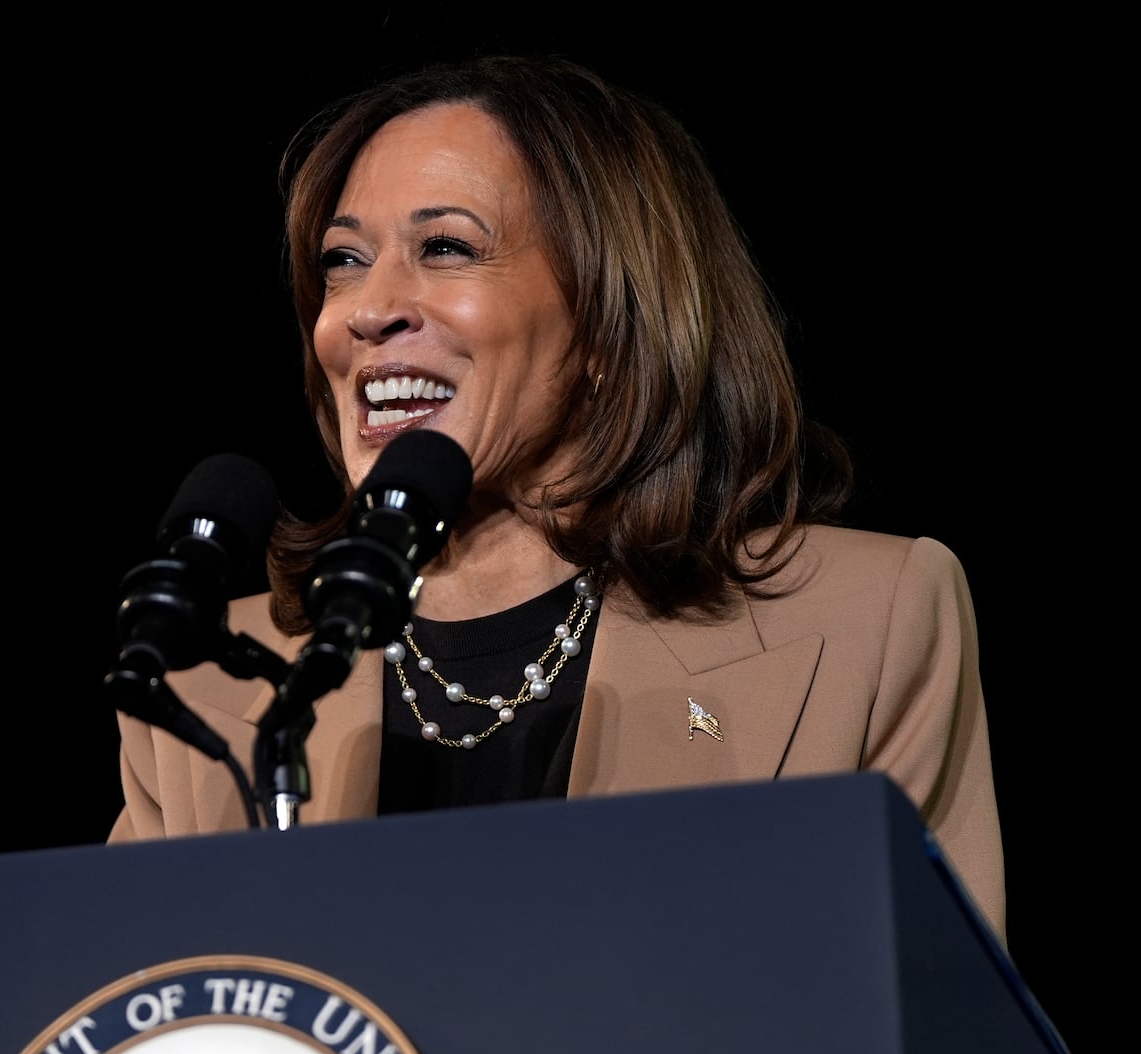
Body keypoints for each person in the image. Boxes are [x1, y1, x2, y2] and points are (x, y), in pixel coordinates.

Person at [104, 53, 1005, 945]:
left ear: (609, 319)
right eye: (343, 260)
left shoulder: (867, 623)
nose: (365, 310)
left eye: (446, 247)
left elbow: (936, 1024)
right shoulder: (206, 688)